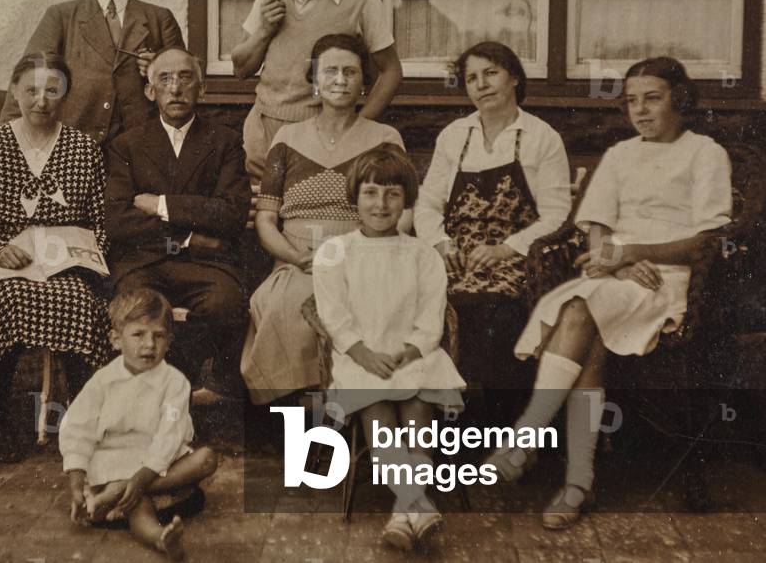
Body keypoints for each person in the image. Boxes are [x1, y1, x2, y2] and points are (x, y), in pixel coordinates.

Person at [488, 57, 732, 529]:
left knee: (579, 310)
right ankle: (578, 483)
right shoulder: (620, 155)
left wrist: (630, 251)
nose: (639, 111)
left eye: (652, 98)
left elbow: (707, 240)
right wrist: (611, 259)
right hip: (618, 275)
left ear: (679, 99)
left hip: (668, 280)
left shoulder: (706, 153)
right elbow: (597, 225)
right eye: (631, 101)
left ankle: (527, 441)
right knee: (588, 335)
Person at [0, 53, 112, 464]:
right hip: (9, 261)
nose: (41, 101)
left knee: (80, 302)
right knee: (7, 301)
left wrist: (86, 262)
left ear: (65, 96)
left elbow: (99, 222)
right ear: (14, 91)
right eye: (30, 90)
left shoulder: (83, 148)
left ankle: (82, 428)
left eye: (52, 90)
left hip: (66, 262)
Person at [314, 144, 464, 550]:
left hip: (413, 356)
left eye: (393, 194)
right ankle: (418, 505)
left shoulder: (421, 255)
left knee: (417, 415)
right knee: (379, 422)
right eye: (371, 193)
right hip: (360, 358)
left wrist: (409, 351)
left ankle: (403, 513)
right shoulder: (335, 253)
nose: (381, 204)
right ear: (354, 197)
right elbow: (334, 316)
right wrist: (364, 353)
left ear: (407, 201)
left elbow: (431, 318)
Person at [242, 33, 405, 405]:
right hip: (297, 261)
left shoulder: (384, 138)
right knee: (288, 306)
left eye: (351, 72)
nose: (340, 80)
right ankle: (312, 424)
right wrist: (296, 257)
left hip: (364, 258)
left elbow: (403, 213)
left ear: (365, 81)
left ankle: (339, 422)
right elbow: (266, 219)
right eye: (329, 71)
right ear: (314, 80)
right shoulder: (287, 137)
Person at [413, 41, 570, 416]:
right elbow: (429, 203)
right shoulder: (454, 136)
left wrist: (507, 249)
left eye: (490, 73)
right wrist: (439, 244)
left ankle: (496, 427)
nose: (481, 84)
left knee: (491, 311)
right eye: (471, 78)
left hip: (518, 261)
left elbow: (557, 214)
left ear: (514, 77)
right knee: (415, 304)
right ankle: (435, 431)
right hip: (455, 257)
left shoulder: (542, 137)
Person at [105, 47, 250, 399]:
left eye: (186, 78)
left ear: (202, 90)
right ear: (150, 91)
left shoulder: (224, 141)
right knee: (137, 308)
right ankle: (148, 396)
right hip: (145, 262)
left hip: (207, 266)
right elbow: (118, 221)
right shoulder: (127, 145)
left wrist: (160, 204)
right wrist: (188, 239)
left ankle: (184, 384)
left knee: (225, 303)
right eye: (165, 79)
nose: (176, 88)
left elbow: (230, 214)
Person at [230, 0, 403, 181]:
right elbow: (240, 69)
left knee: (310, 215)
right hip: (263, 133)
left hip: (321, 135)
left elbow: (391, 71)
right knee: (261, 218)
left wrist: (358, 126)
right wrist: (264, 30)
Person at [60, 288, 219, 562]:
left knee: (206, 459)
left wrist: (141, 477)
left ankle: (115, 493)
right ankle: (160, 538)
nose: (149, 345)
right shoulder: (102, 381)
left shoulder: (175, 382)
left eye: (158, 336)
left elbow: (170, 435)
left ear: (169, 342)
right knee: (138, 506)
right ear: (116, 340)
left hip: (157, 462)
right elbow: (77, 429)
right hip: (113, 461)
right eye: (138, 334)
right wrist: (76, 483)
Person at [0, 0, 184, 145]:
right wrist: (8, 140)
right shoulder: (61, 16)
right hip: (73, 147)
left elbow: (183, 86)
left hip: (141, 147)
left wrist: (159, 69)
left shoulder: (160, 19)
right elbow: (27, 78)